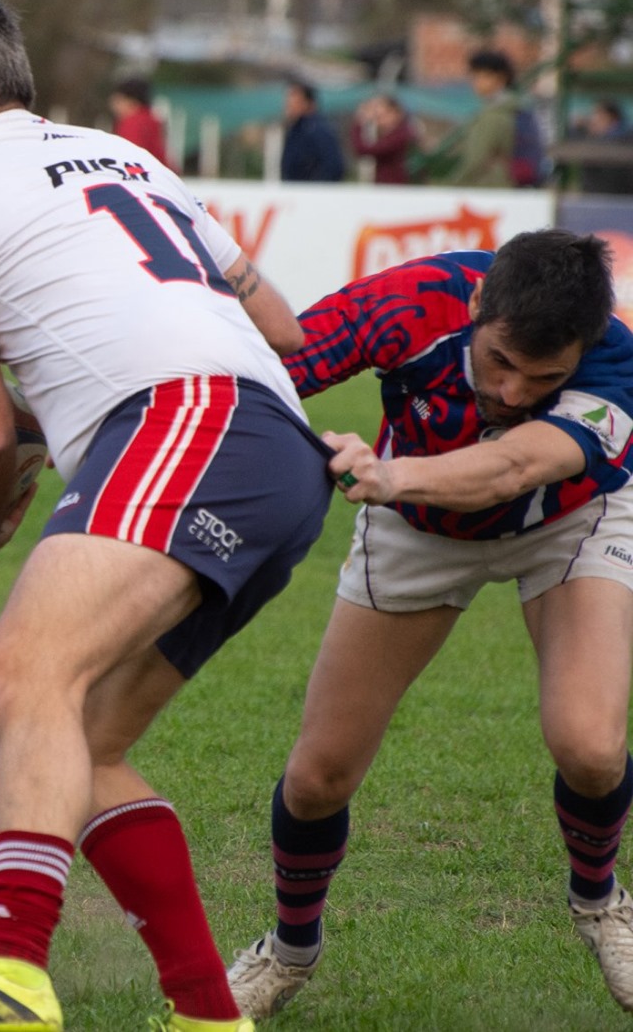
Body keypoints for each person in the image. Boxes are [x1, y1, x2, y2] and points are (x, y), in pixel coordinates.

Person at [0, 0, 326, 1032]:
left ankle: (10, 974)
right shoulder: (130, 159)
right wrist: (59, 409)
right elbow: (285, 331)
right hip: (270, 451)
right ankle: (207, 1013)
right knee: (86, 738)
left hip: (184, 424)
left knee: (21, 666)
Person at [224, 232, 633, 1020]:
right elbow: (272, 372)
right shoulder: (411, 300)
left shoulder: (618, 359)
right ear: (478, 304)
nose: (512, 392)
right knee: (318, 778)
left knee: (588, 744)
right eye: (500, 361)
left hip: (569, 521)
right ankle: (289, 949)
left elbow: (516, 465)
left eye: (543, 378)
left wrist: (389, 473)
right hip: (417, 527)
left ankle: (599, 900)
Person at [453, 48, 547, 189]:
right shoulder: (520, 109)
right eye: (474, 77)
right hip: (518, 186)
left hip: (492, 188)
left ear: (501, 78)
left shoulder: (495, 115)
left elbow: (477, 159)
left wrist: (452, 186)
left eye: (483, 76)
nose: (476, 82)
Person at [279, 81, 344, 183]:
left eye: (294, 102)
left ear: (307, 103)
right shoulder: (295, 129)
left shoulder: (318, 129)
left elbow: (334, 166)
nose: (289, 107)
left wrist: (314, 190)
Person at [349, 92, 417, 185]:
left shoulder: (402, 135)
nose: (377, 120)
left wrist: (359, 125)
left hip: (397, 189)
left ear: (395, 113)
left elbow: (365, 150)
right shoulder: (395, 133)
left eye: (381, 115)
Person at [107, 77, 168, 167]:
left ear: (131, 101)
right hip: (160, 173)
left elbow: (129, 157)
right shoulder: (152, 119)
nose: (112, 105)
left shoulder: (132, 124)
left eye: (118, 100)